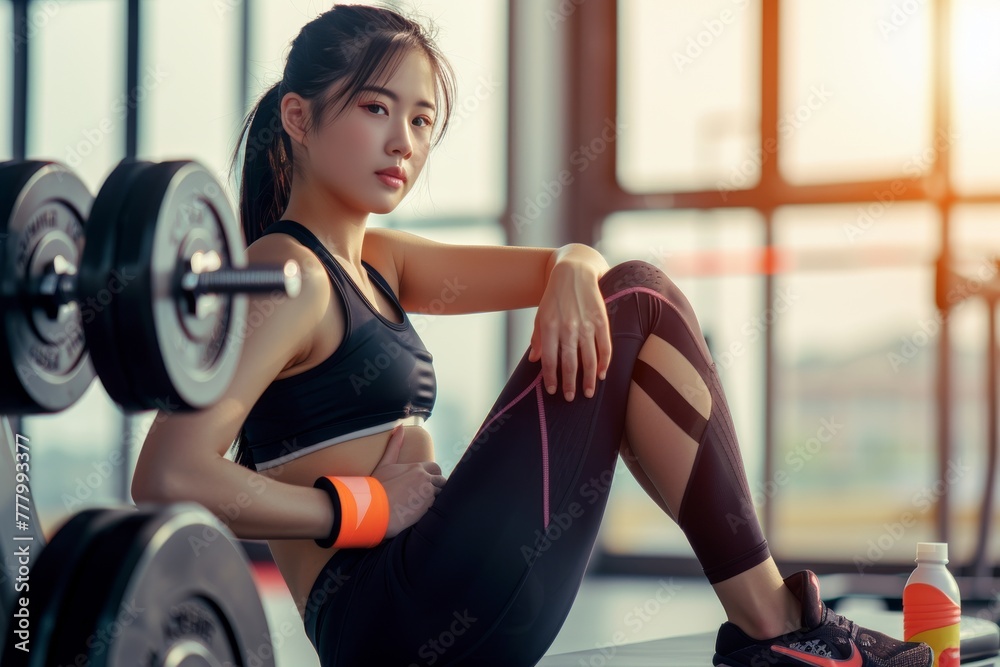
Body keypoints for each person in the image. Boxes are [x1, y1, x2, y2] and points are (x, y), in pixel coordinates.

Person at [131, 4, 933, 666]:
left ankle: (775, 633)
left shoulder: (376, 261)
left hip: (442, 596)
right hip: (390, 613)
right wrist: (365, 507)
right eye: (376, 108)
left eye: (421, 119)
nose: (403, 142)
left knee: (633, 296)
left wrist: (576, 263)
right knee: (641, 301)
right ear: (299, 118)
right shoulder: (288, 274)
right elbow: (168, 475)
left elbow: (565, 268)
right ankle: (777, 631)